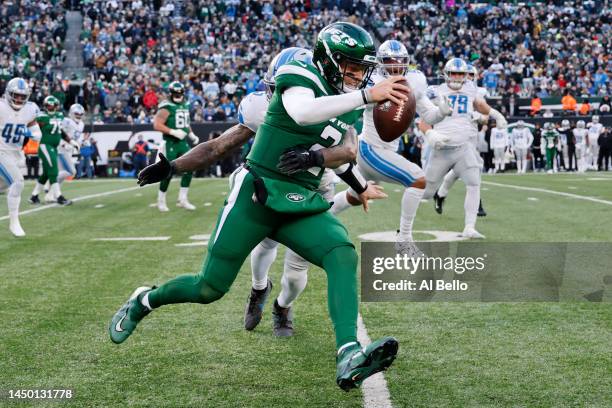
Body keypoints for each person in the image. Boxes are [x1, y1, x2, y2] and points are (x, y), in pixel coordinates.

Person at [110, 22, 408, 391]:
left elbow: (344, 154)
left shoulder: (348, 100)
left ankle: (348, 351)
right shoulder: (300, 73)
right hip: (256, 192)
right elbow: (301, 114)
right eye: (350, 66)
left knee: (342, 253)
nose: (358, 76)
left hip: (299, 199)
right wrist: (172, 166)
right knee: (209, 289)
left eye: (362, 69)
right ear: (328, 60)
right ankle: (144, 299)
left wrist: (359, 187)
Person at [333, 40, 451, 256]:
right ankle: (404, 239)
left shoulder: (413, 82)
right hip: (370, 149)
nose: (395, 66)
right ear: (380, 63)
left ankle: (323, 213)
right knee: (417, 179)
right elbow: (352, 103)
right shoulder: (373, 82)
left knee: (357, 196)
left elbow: (429, 115)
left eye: (400, 61)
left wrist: (442, 112)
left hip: (381, 152)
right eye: (389, 61)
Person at [420, 58, 507, 239]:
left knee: (474, 182)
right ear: (446, 73)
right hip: (442, 147)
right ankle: (407, 224)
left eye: (461, 74)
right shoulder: (435, 91)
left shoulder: (470, 88)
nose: (458, 77)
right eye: (454, 73)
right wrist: (430, 134)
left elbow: (481, 106)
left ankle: (469, 226)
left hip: (464, 146)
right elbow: (424, 119)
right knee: (426, 192)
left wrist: (495, 114)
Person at [433, 63, 487, 217]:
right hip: (458, 135)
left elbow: (485, 113)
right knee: (473, 167)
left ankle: (441, 193)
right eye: (466, 74)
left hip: (472, 133)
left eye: (470, 75)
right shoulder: (449, 91)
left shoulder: (476, 92)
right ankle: (477, 205)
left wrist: (481, 118)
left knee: (460, 170)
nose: (467, 78)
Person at [0, 78, 42, 236]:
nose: (18, 99)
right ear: (8, 93)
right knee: (18, 182)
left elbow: (38, 134)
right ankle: (14, 223)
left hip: (15, 154)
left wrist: (30, 133)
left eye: (21, 96)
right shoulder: (1, 107)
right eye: (15, 95)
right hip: (1, 151)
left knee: (3, 187)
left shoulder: (30, 110)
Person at [153, 81, 200, 212]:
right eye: (175, 93)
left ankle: (182, 199)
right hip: (170, 143)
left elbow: (185, 122)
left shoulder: (185, 103)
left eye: (180, 93)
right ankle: (160, 200)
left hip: (182, 142)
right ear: (171, 93)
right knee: (167, 172)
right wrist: (172, 131)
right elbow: (157, 124)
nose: (178, 95)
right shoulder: (166, 106)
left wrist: (191, 134)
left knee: (190, 168)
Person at [28, 96, 78, 206]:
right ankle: (59, 197)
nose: (50, 108)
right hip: (45, 146)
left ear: (56, 106)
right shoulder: (41, 117)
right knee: (54, 171)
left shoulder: (59, 115)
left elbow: (61, 132)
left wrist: (71, 141)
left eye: (52, 105)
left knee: (46, 173)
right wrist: (33, 134)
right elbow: (30, 127)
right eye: (48, 106)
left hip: (54, 147)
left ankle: (34, 196)